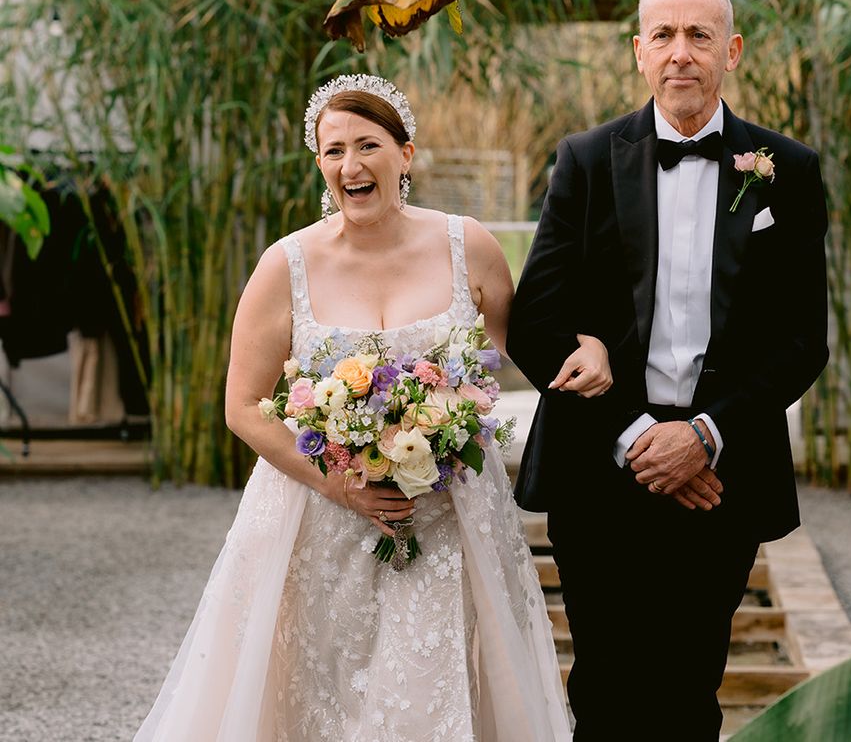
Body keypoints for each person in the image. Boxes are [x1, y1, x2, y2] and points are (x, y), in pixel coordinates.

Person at [134, 74, 572, 742]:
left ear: (407, 155)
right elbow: (244, 406)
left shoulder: (469, 247)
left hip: (450, 520)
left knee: (433, 687)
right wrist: (340, 484)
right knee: (320, 693)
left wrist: (590, 346)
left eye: (368, 145)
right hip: (316, 522)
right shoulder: (287, 265)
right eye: (334, 150)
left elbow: (533, 350)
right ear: (320, 164)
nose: (351, 165)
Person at [507, 0, 830, 741]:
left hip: (721, 475)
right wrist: (637, 437)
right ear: (639, 53)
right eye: (663, 36)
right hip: (601, 462)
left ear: (733, 51)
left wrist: (704, 436)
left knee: (690, 688)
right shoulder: (585, 160)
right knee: (607, 687)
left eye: (699, 36)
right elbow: (536, 321)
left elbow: (800, 339)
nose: (680, 53)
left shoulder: (787, 167)